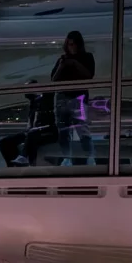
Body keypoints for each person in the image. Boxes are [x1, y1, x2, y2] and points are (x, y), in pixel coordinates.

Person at [51, 31, 96, 166]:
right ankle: (67, 158)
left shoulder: (87, 57)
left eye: (74, 44)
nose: (72, 47)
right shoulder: (62, 59)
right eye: (70, 44)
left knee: (83, 131)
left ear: (79, 45)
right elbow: (53, 79)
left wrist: (75, 63)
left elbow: (89, 75)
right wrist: (62, 65)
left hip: (78, 97)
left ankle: (89, 157)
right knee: (63, 132)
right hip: (62, 97)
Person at [0, 88, 56, 167]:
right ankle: (12, 166)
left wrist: (36, 128)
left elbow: (52, 125)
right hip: (32, 131)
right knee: (3, 142)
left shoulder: (50, 107)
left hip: (44, 132)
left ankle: (23, 158)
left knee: (31, 134)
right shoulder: (34, 106)